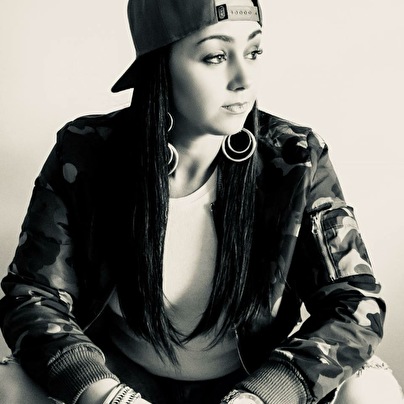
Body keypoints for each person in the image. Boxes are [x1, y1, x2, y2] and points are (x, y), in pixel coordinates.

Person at [0, 0, 403, 403]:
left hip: (252, 385)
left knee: (372, 390)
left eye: (254, 52)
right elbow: (33, 297)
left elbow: (354, 305)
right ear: (159, 65)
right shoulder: (86, 153)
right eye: (216, 57)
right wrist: (104, 394)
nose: (244, 79)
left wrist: (266, 394)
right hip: (120, 381)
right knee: (10, 383)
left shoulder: (295, 159)